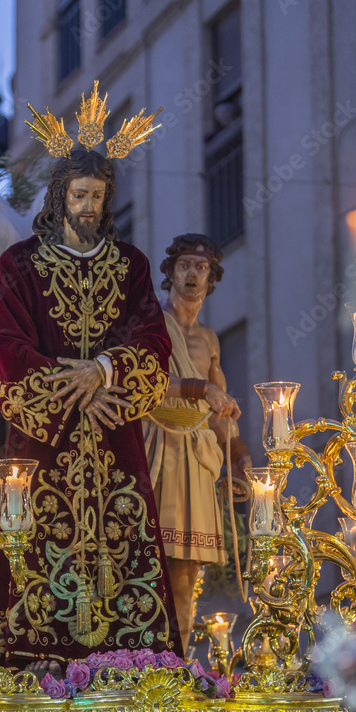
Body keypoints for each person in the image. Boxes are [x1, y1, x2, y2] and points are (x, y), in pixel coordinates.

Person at [0, 148, 178, 670]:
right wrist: (79, 387)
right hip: (45, 442)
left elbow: (153, 340)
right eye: (79, 194)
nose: (89, 206)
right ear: (60, 194)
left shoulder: (131, 265)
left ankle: (132, 671)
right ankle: (28, 672)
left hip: (115, 440)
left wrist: (107, 369)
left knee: (125, 547)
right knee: (34, 546)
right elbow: (7, 346)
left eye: (98, 196)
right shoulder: (19, 265)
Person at [144, 234, 251, 649]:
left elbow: (219, 406)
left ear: (212, 278)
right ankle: (148, 651)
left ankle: (180, 656)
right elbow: (142, 382)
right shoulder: (151, 325)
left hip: (199, 450)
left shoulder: (209, 339)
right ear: (170, 274)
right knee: (158, 557)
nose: (192, 274)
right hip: (160, 444)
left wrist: (240, 457)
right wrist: (198, 389)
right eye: (184, 265)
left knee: (190, 563)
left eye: (201, 267)